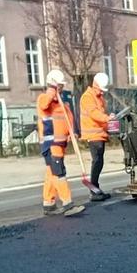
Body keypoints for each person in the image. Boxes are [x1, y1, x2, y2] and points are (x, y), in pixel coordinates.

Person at [37, 69, 83, 216]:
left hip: (60, 143)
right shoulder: (45, 99)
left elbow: (69, 118)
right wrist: (52, 92)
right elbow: (44, 105)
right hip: (51, 144)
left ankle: (48, 204)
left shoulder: (61, 104)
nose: (62, 88)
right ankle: (67, 203)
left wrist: (73, 132)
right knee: (59, 173)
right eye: (60, 86)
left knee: (51, 173)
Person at [80, 72, 112, 202]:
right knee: (97, 161)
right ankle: (94, 190)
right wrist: (107, 118)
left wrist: (108, 120)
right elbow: (94, 113)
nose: (103, 92)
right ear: (95, 85)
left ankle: (95, 188)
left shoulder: (99, 97)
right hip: (93, 134)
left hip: (100, 134)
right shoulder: (88, 97)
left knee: (99, 161)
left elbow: (101, 113)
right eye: (101, 89)